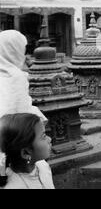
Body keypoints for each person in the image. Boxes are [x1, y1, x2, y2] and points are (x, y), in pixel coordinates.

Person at [0, 30, 47, 180]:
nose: (24, 56)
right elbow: (19, 110)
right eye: (22, 51)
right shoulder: (16, 76)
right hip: (13, 137)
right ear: (13, 51)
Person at [0, 113, 54, 189]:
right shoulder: (13, 186)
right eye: (43, 136)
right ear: (25, 153)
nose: (49, 139)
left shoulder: (43, 166)